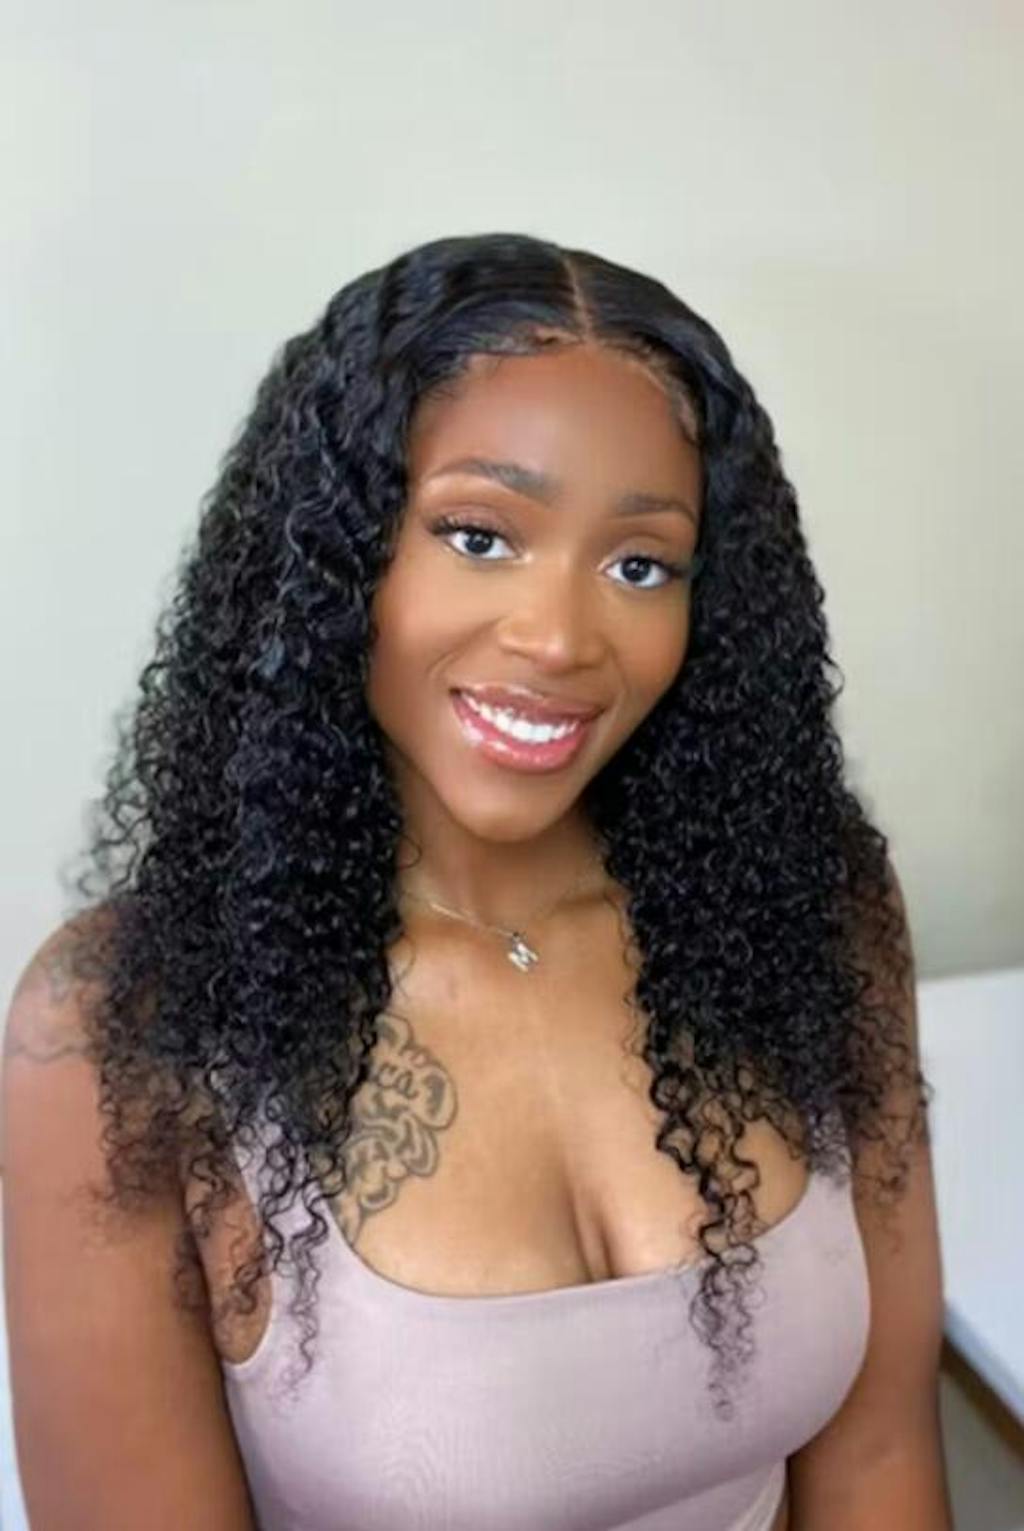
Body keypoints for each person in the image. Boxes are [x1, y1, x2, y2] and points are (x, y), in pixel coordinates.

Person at [2, 232, 952, 1529]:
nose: (560, 638)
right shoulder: (126, 1025)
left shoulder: (809, 904)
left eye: (639, 564)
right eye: (479, 535)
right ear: (338, 555)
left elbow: (883, 1459)